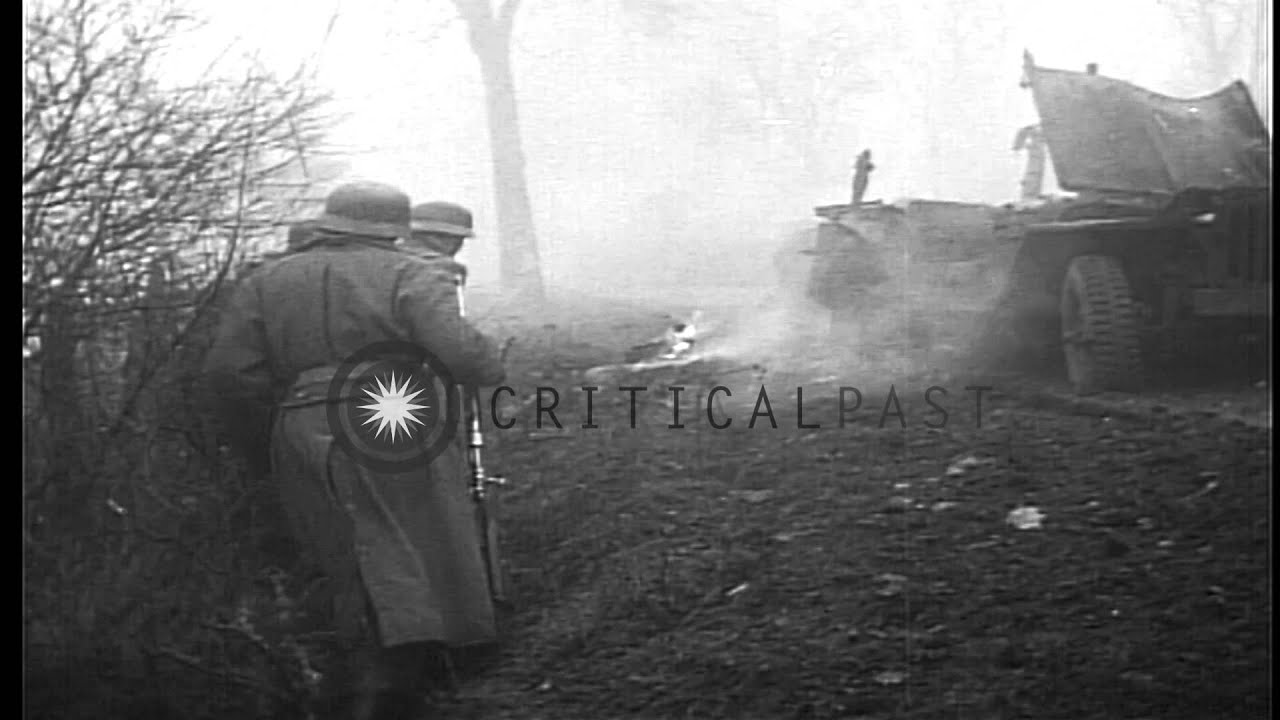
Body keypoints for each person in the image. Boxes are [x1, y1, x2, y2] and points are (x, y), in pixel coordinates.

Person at [202, 181, 506, 720]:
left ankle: (352, 670)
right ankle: (425, 665)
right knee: (421, 532)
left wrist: (273, 434)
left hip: (300, 418)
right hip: (394, 404)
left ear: (330, 221)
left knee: (343, 546)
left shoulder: (265, 280)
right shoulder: (412, 272)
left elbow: (229, 375)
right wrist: (490, 363)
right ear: (397, 229)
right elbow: (459, 353)